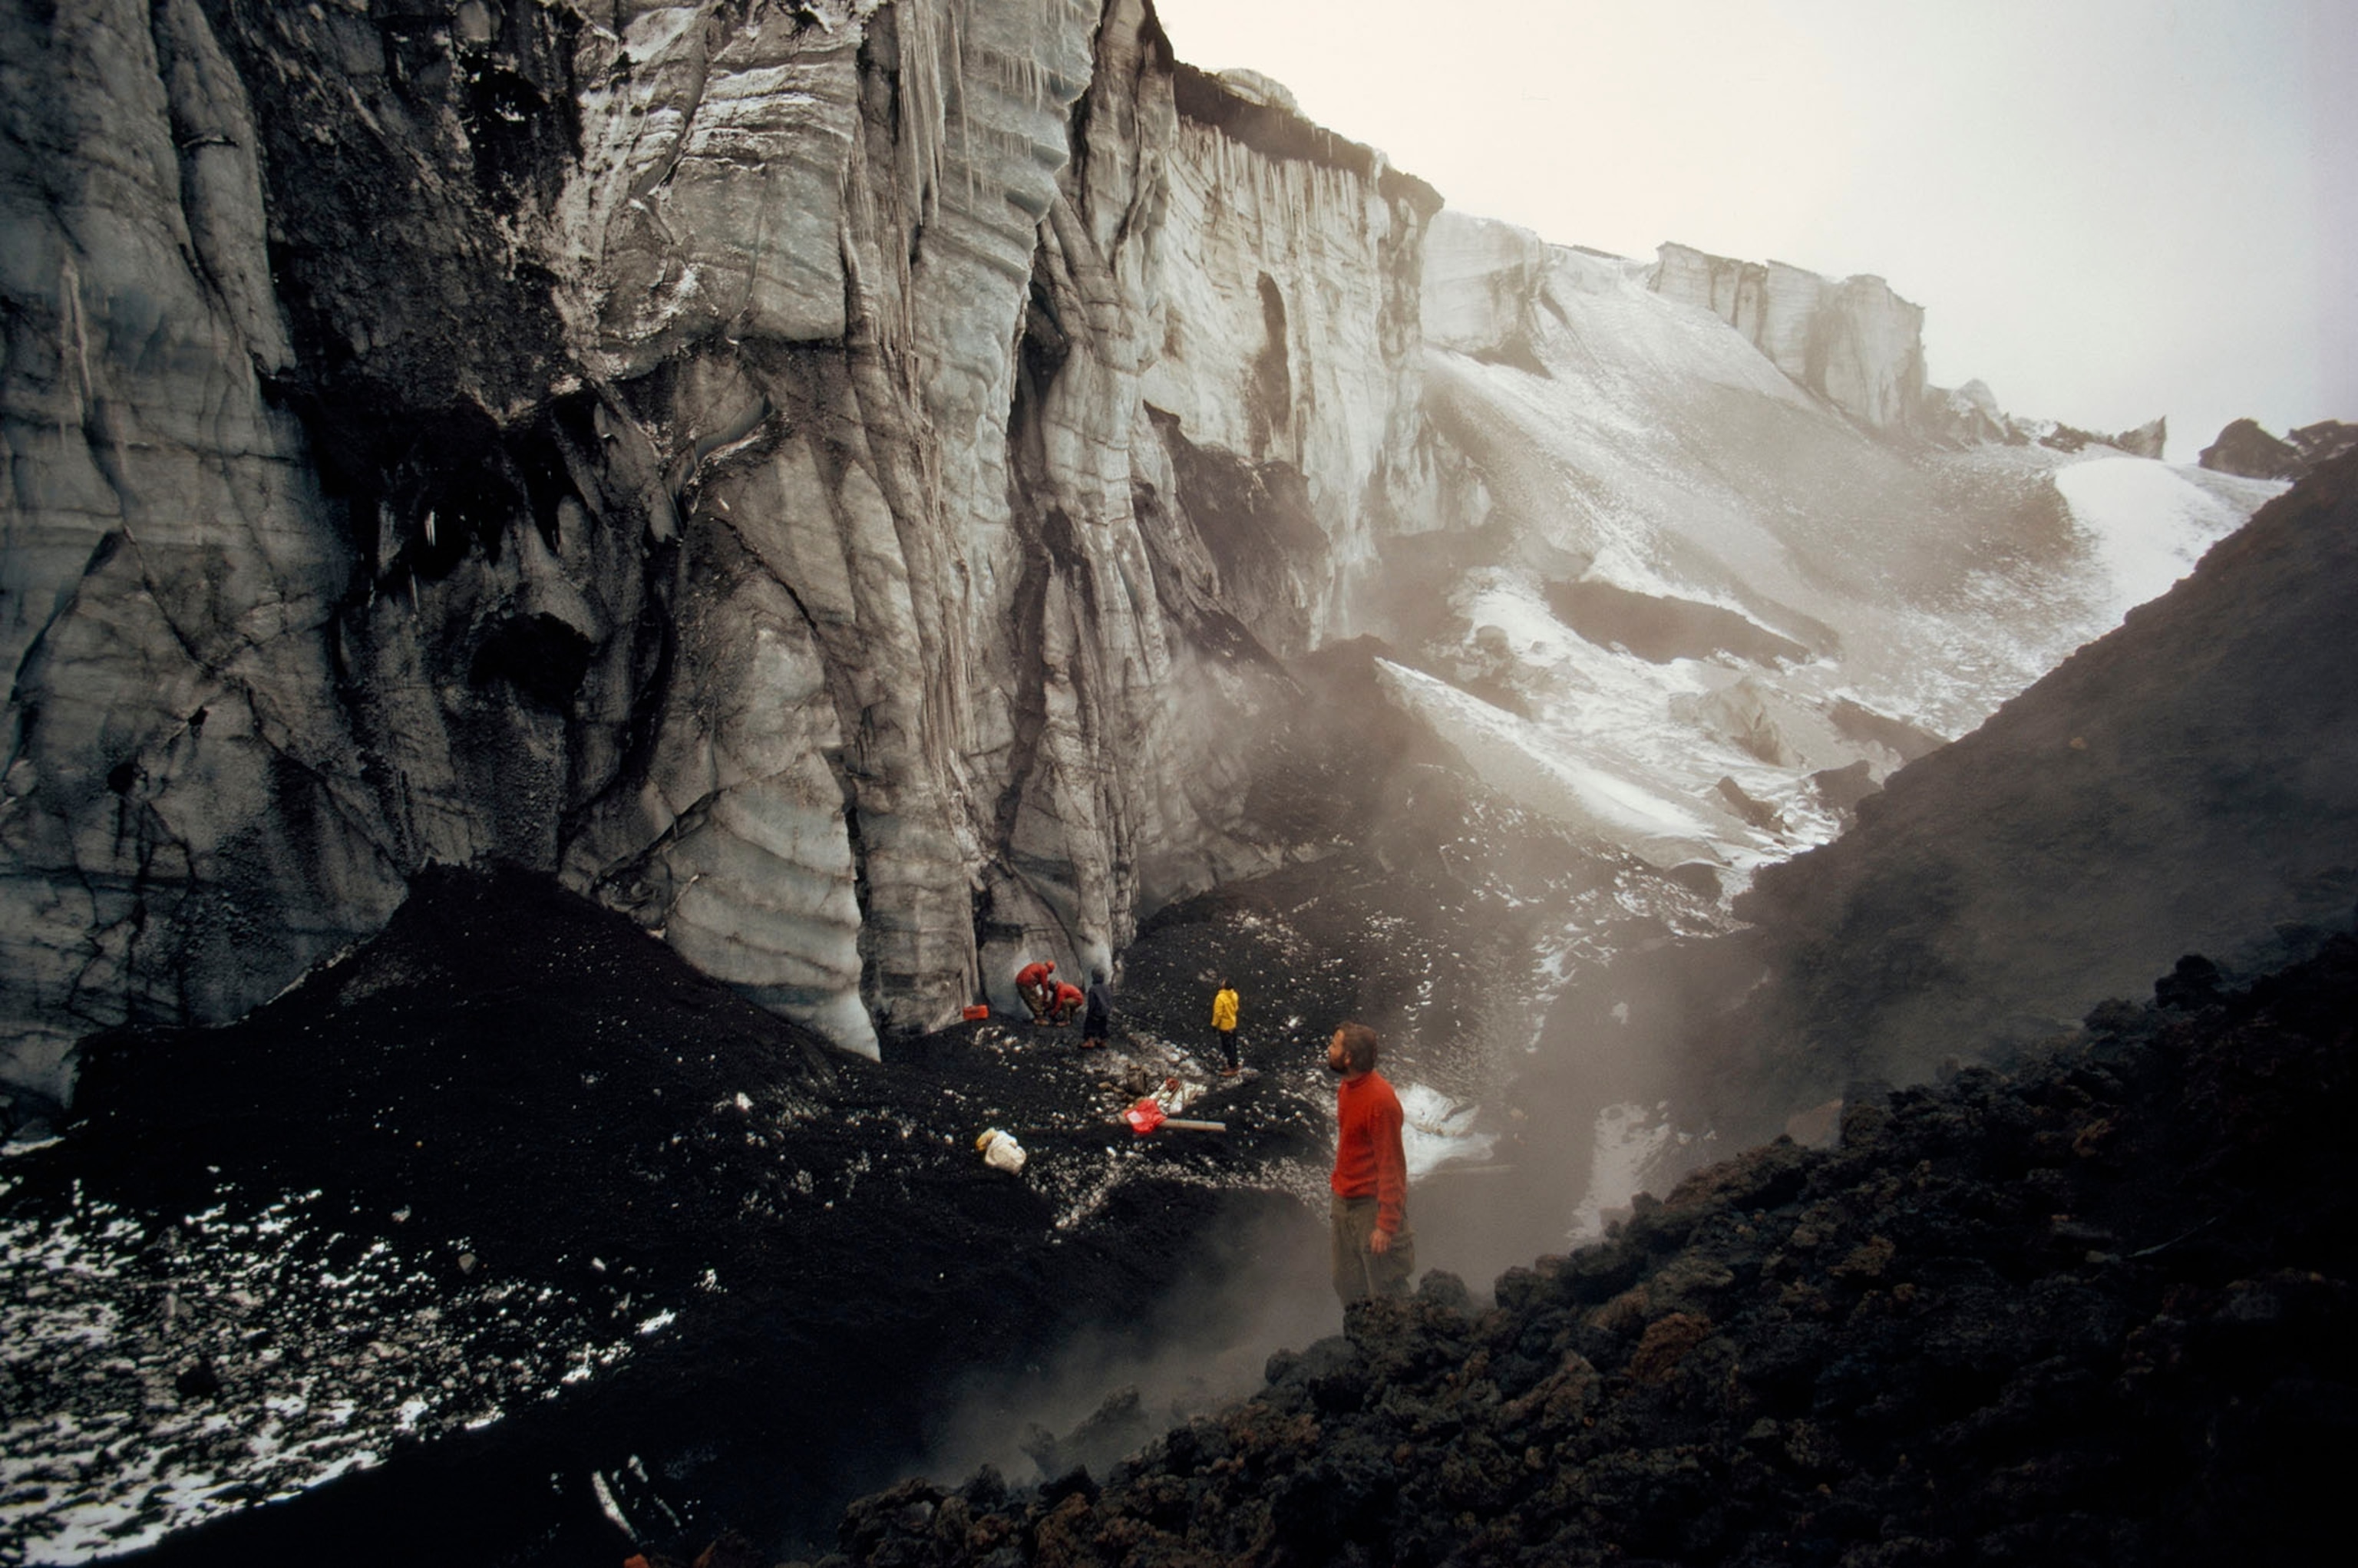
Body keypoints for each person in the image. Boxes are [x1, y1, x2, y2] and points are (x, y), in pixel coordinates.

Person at [1326, 1021, 1414, 1304]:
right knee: (1347, 1282)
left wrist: (1386, 1224)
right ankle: (1364, 1343)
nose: (1329, 1049)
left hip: (1370, 1206)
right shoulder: (1347, 1087)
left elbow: (1393, 1166)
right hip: (1344, 1202)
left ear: (1348, 1057)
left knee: (1386, 1288)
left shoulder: (1380, 1101)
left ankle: (1403, 1342)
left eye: (1334, 1044)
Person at [1210, 979, 1240, 1075]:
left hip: (1225, 1027)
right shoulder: (1234, 995)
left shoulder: (1220, 998)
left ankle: (1232, 1068)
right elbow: (1236, 1008)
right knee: (1233, 1046)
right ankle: (1235, 1064)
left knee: (1227, 1047)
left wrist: (1214, 1025)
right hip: (1233, 1024)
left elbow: (1218, 1014)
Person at [1080, 968, 1113, 1050]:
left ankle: (1090, 1041)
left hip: (1096, 1012)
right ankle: (1103, 1041)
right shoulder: (1107, 988)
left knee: (1090, 1026)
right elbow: (1110, 999)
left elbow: (1092, 1004)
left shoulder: (1093, 989)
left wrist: (1090, 1013)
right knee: (1103, 1026)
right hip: (1105, 1012)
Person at [1015, 959, 1055, 1025]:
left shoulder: (1038, 965)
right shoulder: (1044, 970)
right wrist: (1045, 998)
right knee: (1034, 1000)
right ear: (1050, 970)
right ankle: (1040, 1019)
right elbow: (1044, 985)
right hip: (1027, 983)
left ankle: (1038, 1015)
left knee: (1035, 997)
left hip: (1020, 981)